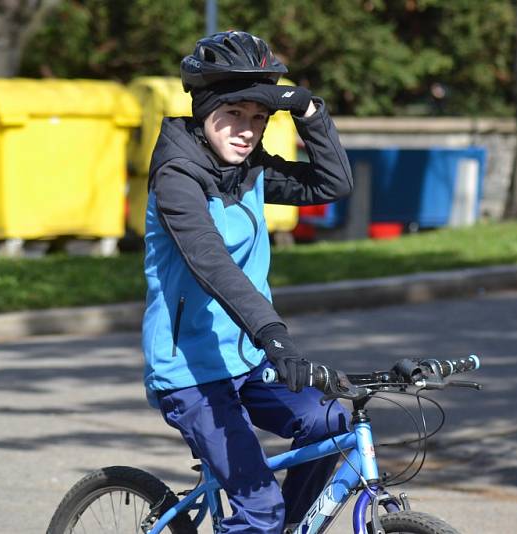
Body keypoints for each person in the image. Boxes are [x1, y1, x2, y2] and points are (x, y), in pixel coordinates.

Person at [140, 30, 353, 533]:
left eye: (258, 119)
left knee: (332, 425)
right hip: (190, 372)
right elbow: (211, 262)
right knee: (261, 510)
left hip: (249, 360)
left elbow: (332, 184)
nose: (246, 131)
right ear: (205, 109)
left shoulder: (248, 169)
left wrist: (308, 110)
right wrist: (273, 332)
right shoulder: (177, 177)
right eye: (233, 115)